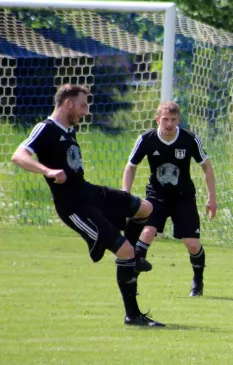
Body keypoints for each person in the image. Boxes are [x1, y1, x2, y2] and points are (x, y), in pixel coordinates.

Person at [10, 84, 164, 327]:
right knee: (124, 251)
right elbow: (19, 155)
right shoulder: (46, 128)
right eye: (82, 106)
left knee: (145, 208)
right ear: (68, 103)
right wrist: (48, 171)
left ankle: (133, 260)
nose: (86, 112)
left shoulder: (69, 130)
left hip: (89, 192)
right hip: (74, 207)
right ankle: (133, 315)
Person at [122, 101, 217, 297]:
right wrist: (125, 194)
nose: (169, 124)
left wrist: (212, 198)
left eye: (173, 120)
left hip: (183, 198)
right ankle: (132, 282)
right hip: (156, 196)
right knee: (147, 233)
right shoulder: (146, 139)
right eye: (165, 119)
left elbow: (206, 166)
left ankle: (197, 281)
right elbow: (131, 166)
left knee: (192, 244)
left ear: (178, 120)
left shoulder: (189, 139)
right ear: (158, 119)